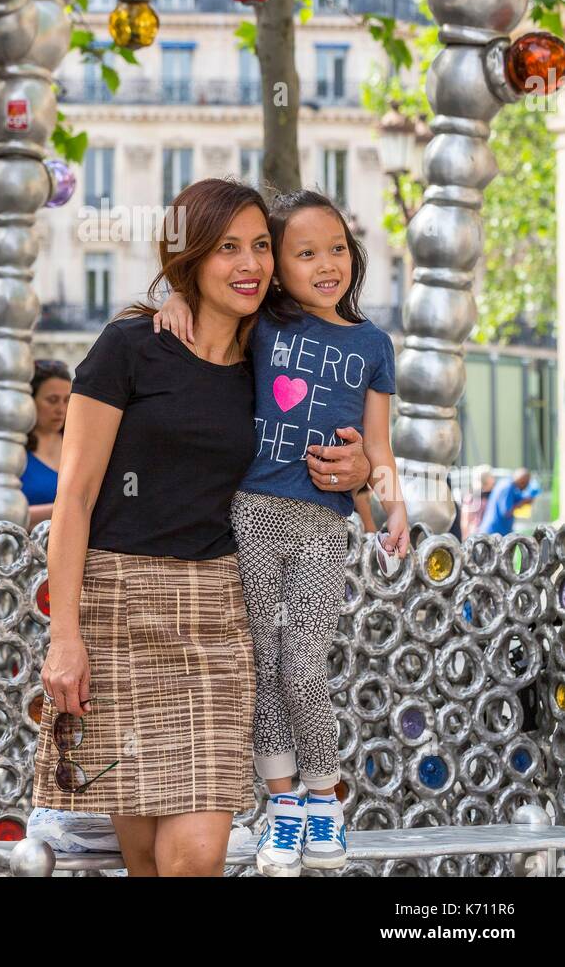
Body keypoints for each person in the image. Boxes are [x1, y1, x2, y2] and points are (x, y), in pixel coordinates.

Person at [31, 179, 370, 878]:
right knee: (147, 862)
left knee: (193, 857)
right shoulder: (130, 346)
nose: (249, 264)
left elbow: (344, 438)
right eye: (226, 249)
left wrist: (360, 465)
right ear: (189, 257)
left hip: (218, 617)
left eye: (259, 249)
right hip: (118, 610)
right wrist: (65, 635)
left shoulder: (278, 359)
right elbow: (76, 495)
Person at [157, 186, 409, 878]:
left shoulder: (372, 343)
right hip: (253, 515)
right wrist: (171, 301)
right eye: (304, 252)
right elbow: (204, 315)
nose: (326, 263)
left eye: (337, 249)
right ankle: (283, 810)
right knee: (263, 667)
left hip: (324, 525)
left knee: (302, 665)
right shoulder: (262, 327)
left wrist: (393, 508)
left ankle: (325, 797)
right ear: (280, 268)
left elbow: (379, 449)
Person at [21, 359, 71, 527]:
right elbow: (2, 514)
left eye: (67, 400)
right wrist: (68, 509)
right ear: (30, 401)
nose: (61, 409)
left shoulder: (76, 446)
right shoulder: (13, 452)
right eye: (52, 400)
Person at [479, 468, 538, 536]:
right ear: (523, 482)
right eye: (526, 484)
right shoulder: (507, 487)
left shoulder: (508, 484)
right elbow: (506, 512)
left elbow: (520, 498)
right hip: (494, 532)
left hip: (495, 531)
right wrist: (522, 503)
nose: (526, 487)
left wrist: (527, 499)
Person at [461, 465, 494, 538]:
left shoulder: (470, 496)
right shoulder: (471, 497)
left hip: (479, 534)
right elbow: (466, 520)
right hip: (478, 535)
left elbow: (465, 521)